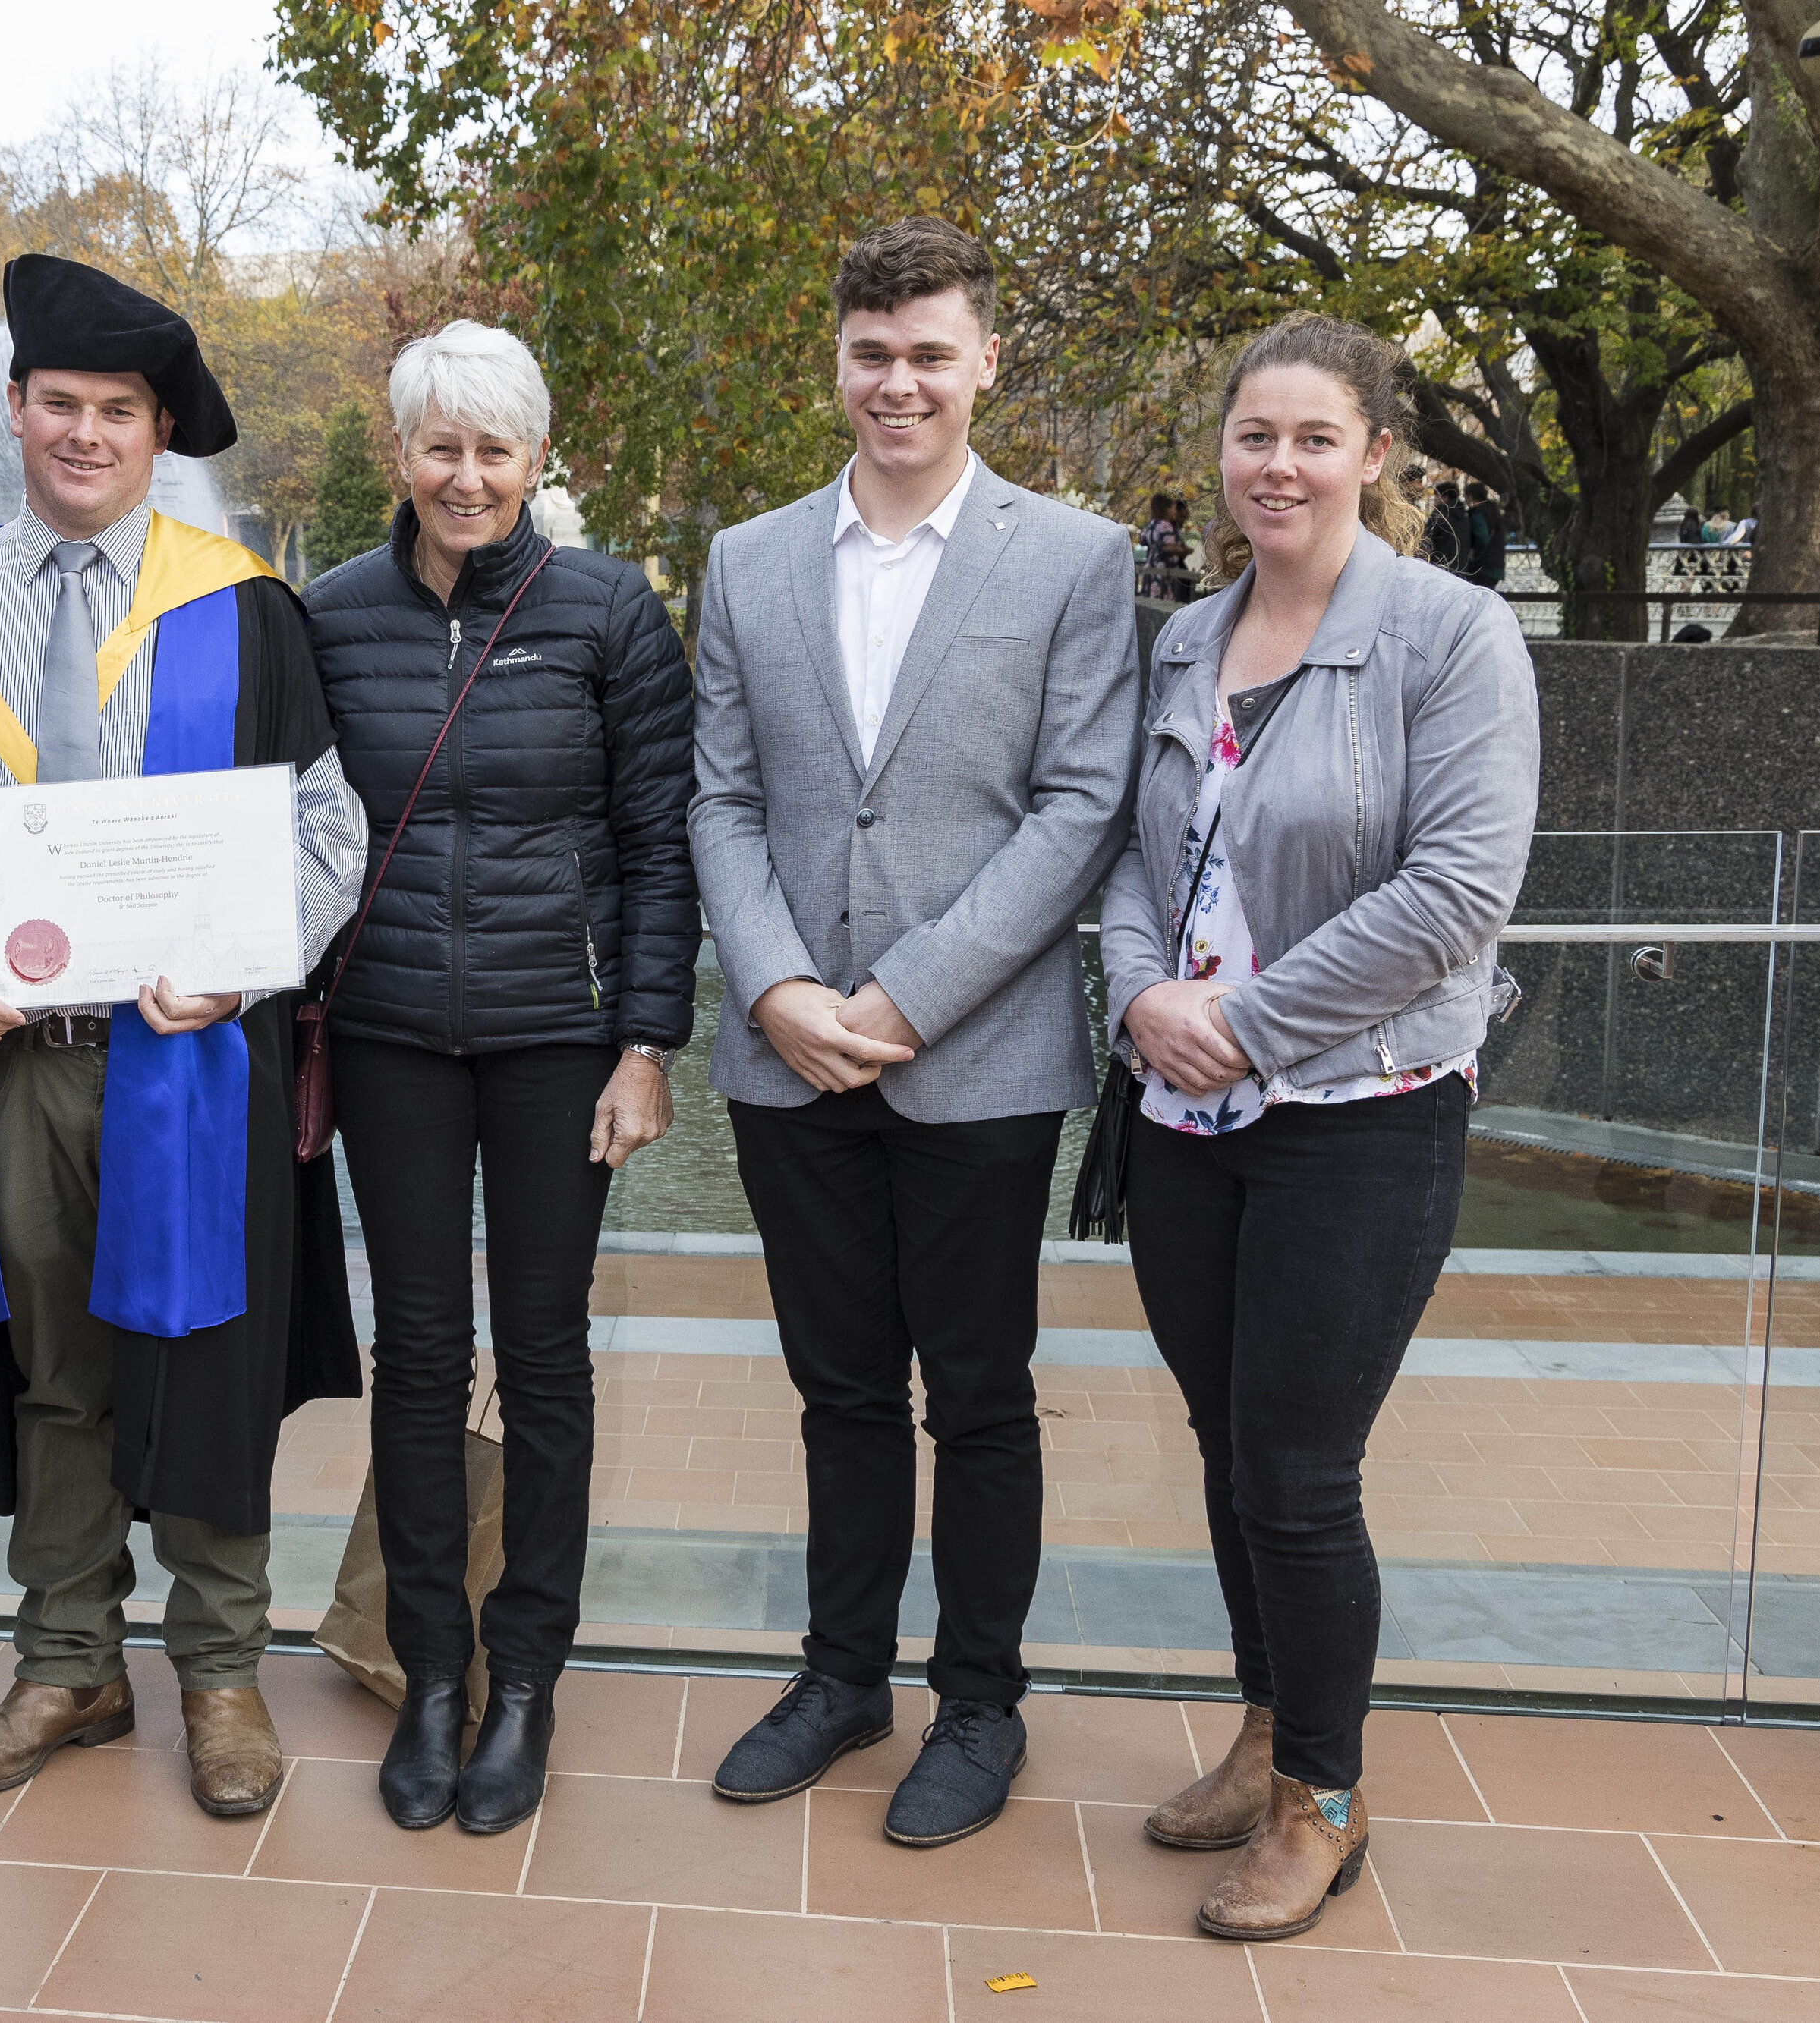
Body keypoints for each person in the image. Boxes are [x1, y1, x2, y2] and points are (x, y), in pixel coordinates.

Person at [0, 254, 369, 1817]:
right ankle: (66, 1658)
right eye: (59, 403)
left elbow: (323, 829)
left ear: (158, 435)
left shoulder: (241, 608)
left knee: (202, 1351)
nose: (84, 433)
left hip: (192, 1058)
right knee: (49, 1368)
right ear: (17, 410)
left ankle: (218, 1673)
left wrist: (240, 964)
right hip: (10, 1060)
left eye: (117, 411)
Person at [689, 216, 1139, 1845]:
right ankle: (840, 1676)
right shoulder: (745, 559)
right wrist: (776, 987)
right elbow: (720, 795)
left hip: (980, 1057)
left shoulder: (1078, 561)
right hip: (786, 1050)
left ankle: (979, 1699)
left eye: (929, 354)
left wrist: (907, 997)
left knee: (980, 1392)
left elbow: (1084, 804)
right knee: (836, 1390)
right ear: (838, 359)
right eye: (872, 353)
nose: (899, 383)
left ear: (983, 362)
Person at [1101, 313, 1536, 1941]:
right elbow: (1138, 861)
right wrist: (1145, 996)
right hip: (1181, 1115)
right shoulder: (1183, 640)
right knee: (1225, 1448)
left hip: (1359, 1115)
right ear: (1221, 453)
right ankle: (1267, 1726)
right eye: (1251, 436)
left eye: (1309, 438)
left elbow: (1453, 896)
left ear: (1374, 457)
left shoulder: (1449, 635)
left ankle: (1322, 1799)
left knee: (1295, 1465)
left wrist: (1243, 1025)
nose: (1275, 465)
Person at [303, 321, 697, 1835]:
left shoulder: (604, 610)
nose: (463, 476)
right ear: (399, 452)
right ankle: (431, 1667)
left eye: (493, 449)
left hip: (556, 1040)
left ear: (535, 461)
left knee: (539, 1361)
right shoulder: (329, 616)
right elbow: (290, 831)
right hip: (395, 1035)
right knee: (416, 1358)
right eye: (437, 446)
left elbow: (661, 839)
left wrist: (644, 1041)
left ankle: (525, 1670)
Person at [1462, 480, 1507, 588]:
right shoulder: (1494, 511)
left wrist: (1474, 553)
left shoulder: (1478, 514)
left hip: (1483, 566)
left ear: (1471, 497)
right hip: (1496, 564)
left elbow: (1482, 537)